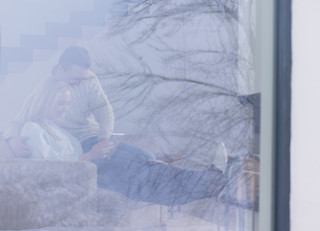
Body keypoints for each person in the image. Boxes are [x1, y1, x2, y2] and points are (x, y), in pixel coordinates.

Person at [3, 46, 224, 205]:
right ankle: (209, 182)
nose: (80, 83)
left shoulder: (87, 79)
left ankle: (208, 181)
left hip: (90, 141)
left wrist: (103, 139)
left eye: (83, 78)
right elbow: (24, 124)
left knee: (145, 158)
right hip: (83, 151)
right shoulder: (43, 95)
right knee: (139, 175)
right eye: (74, 79)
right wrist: (11, 139)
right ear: (60, 69)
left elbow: (104, 110)